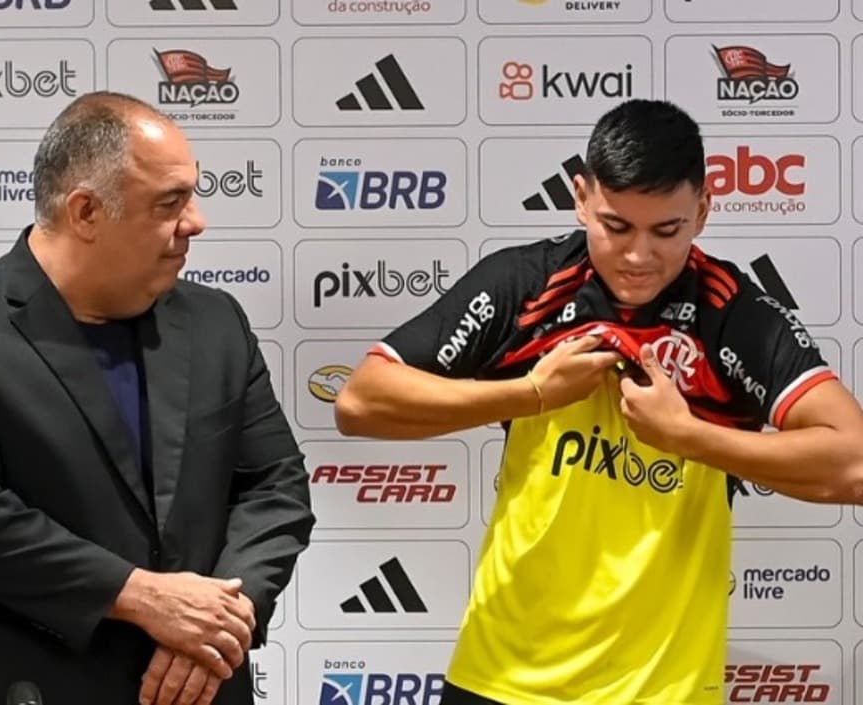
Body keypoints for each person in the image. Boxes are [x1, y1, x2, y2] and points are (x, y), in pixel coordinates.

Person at [334, 99, 863, 704]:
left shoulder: (731, 314)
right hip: (500, 677)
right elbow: (361, 402)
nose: (639, 256)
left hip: (661, 691)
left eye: (667, 230)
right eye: (616, 226)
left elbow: (853, 463)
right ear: (581, 197)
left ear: (704, 209)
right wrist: (531, 393)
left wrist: (690, 437)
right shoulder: (527, 284)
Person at [0, 91, 314, 705]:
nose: (197, 221)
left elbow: (275, 485)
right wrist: (142, 597)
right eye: (171, 202)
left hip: (198, 685)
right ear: (86, 211)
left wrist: (219, 620)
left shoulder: (217, 322)